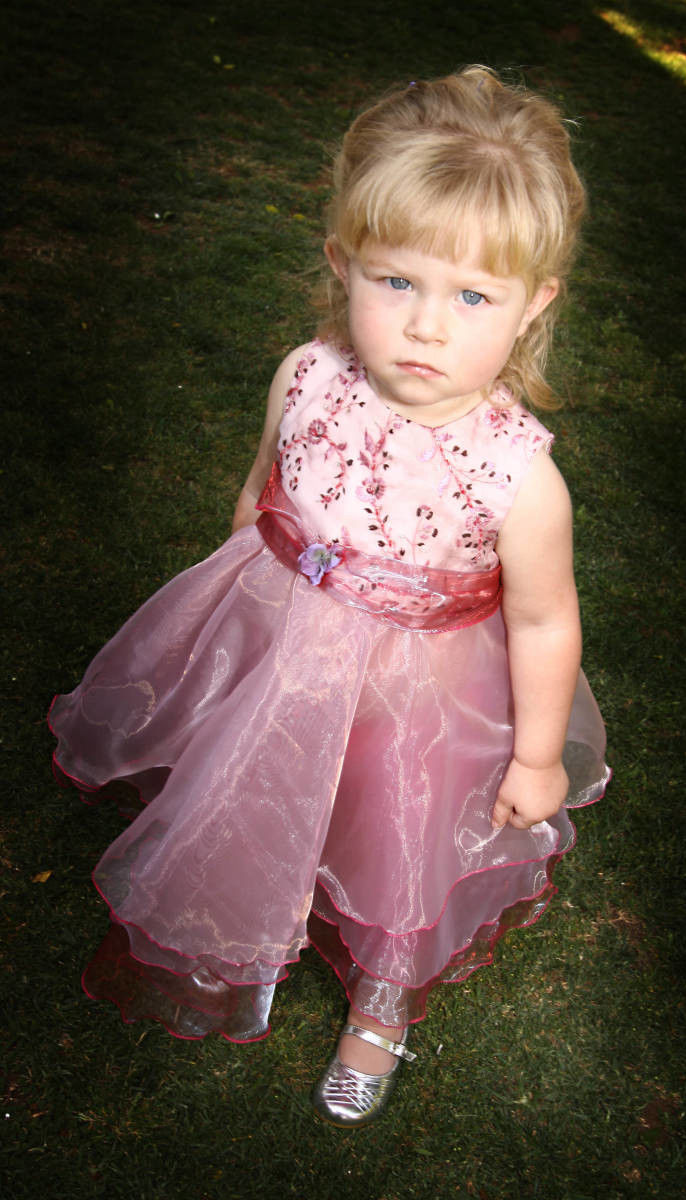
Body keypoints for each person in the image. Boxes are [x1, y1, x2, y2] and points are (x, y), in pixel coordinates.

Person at [50, 66, 610, 1127]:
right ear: (343, 260)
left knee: (393, 841)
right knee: (265, 786)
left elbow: (543, 619)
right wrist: (226, 621)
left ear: (535, 301)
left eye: (472, 297)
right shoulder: (306, 375)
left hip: (419, 705)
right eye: (396, 281)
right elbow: (258, 495)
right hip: (282, 651)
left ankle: (382, 1009)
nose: (425, 327)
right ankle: (263, 894)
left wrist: (536, 758)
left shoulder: (519, 478)